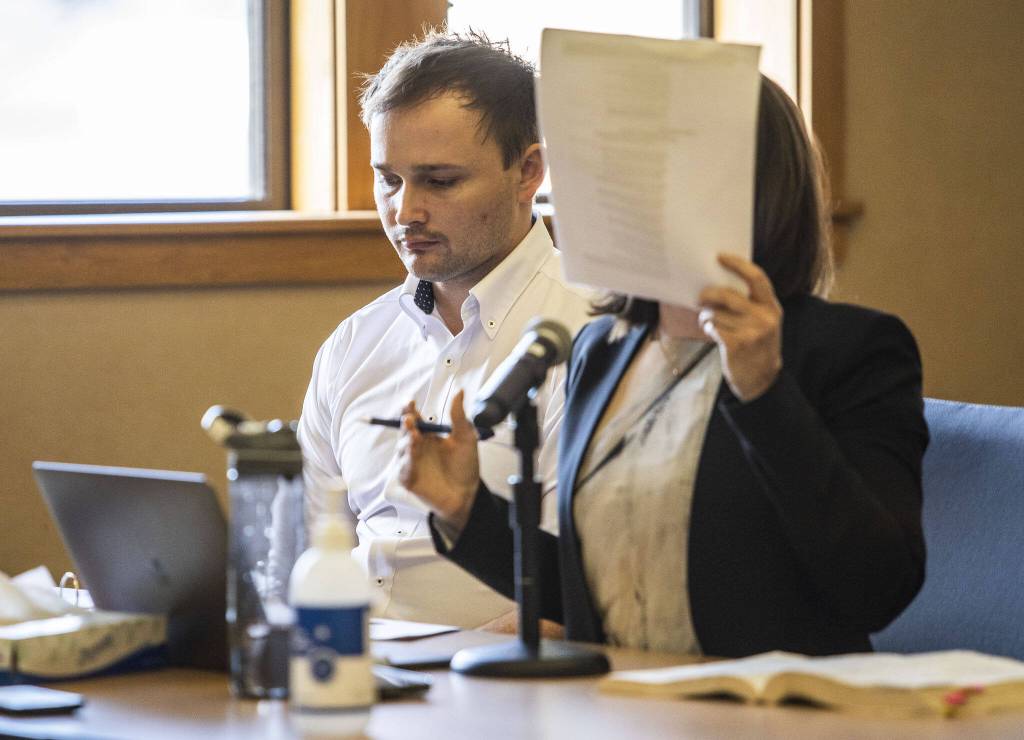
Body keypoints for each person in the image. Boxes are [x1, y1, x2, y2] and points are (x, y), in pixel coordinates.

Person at [396, 76, 929, 657]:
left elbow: (878, 588)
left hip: (767, 710)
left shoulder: (854, 351)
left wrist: (766, 391)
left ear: (751, 189)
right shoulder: (602, 347)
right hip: (618, 704)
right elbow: (589, 594)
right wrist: (466, 508)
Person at [297, 32, 594, 629]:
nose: (405, 212)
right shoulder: (354, 345)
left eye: (439, 181)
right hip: (351, 667)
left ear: (528, 171)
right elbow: (307, 551)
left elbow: (594, 591)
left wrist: (449, 681)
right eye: (389, 179)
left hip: (497, 693)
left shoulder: (591, 330)